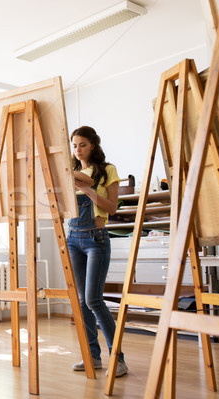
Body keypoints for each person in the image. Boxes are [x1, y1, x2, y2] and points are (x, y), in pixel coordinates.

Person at [67, 126, 128, 377]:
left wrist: (88, 190)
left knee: (93, 299)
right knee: (81, 302)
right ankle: (92, 356)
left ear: (93, 144)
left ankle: (118, 359)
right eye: (74, 145)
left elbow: (112, 208)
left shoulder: (107, 170)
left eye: (82, 144)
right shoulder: (70, 173)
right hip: (72, 238)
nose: (78, 149)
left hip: (96, 237)